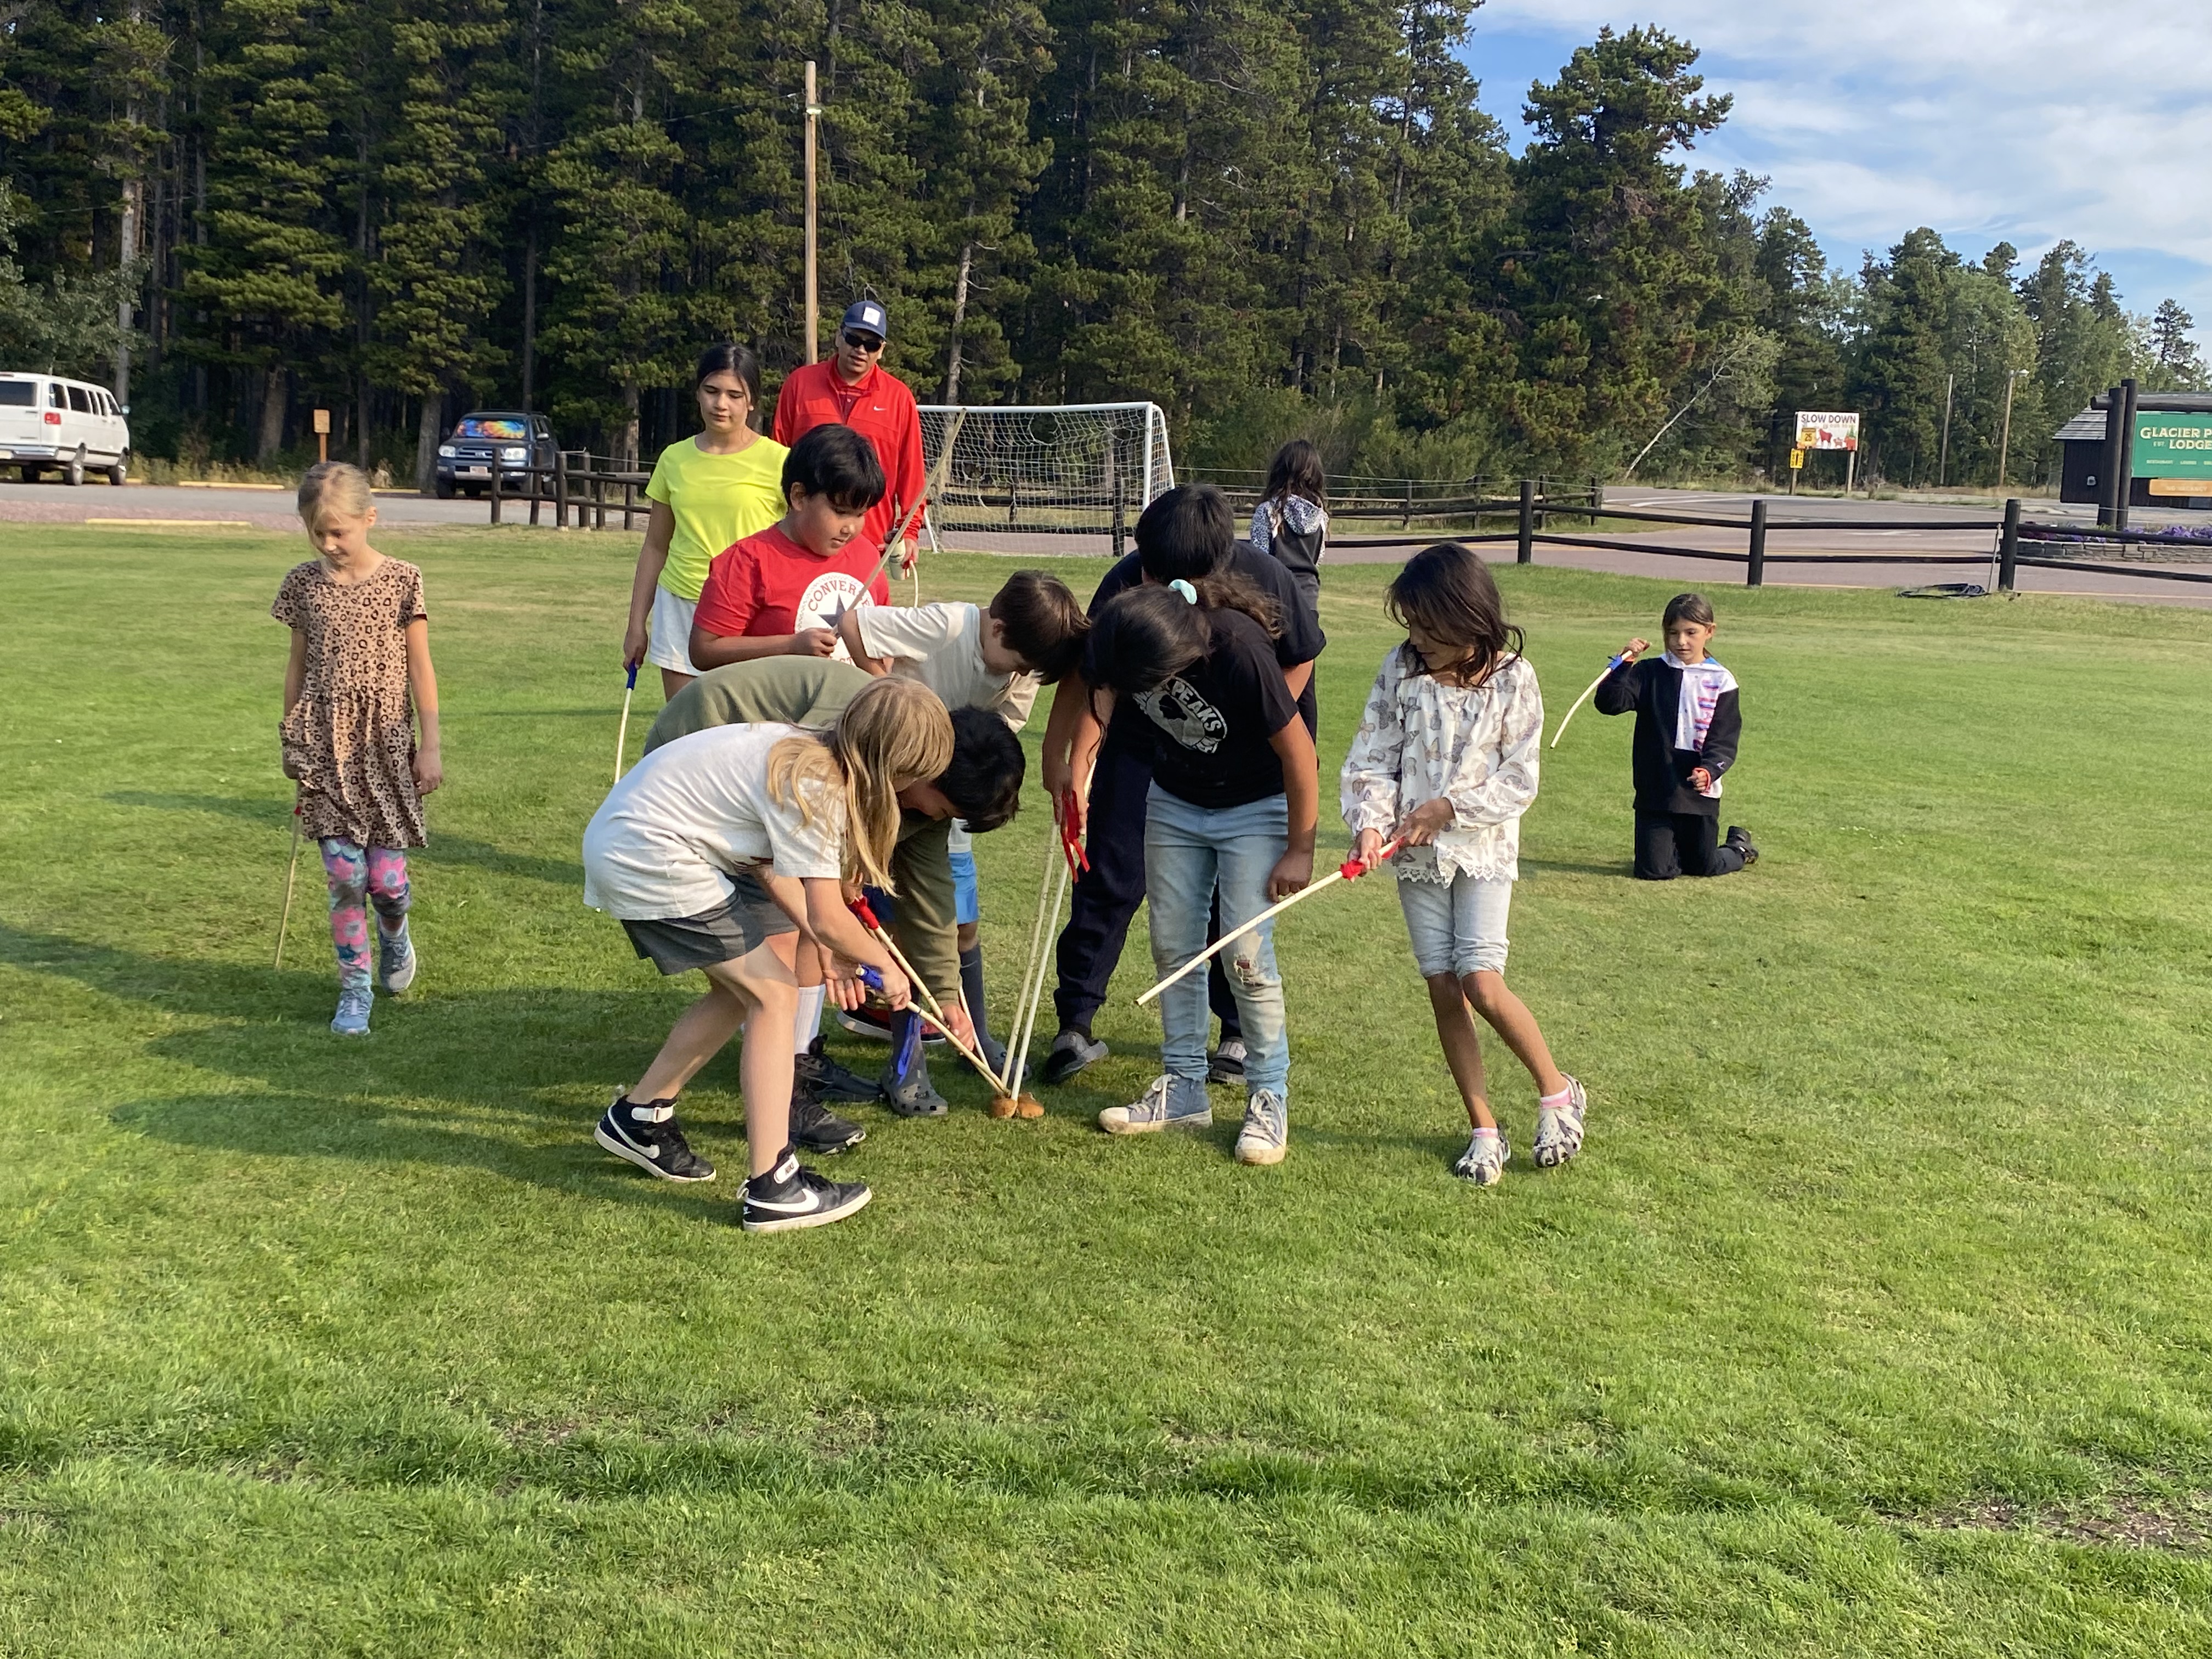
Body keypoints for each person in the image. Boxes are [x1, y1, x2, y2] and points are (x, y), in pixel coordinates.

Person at [582, 678, 951, 1233]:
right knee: (774, 995)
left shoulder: (809, 756)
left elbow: (770, 869)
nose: (911, 788)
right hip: (648, 853)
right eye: (913, 775)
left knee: (750, 984)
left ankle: (641, 1116)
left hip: (637, 842)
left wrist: (832, 949)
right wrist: (888, 967)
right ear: (890, 767)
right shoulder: (816, 784)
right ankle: (774, 1185)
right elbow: (829, 915)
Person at [642, 658, 1025, 1122]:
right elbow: (795, 822)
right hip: (693, 755)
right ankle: (782, 1091)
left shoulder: (911, 781)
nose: (938, 820)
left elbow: (929, 897)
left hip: (754, 798)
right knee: (779, 955)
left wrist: (945, 995)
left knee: (790, 951)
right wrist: (865, 950)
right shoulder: (851, 735)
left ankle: (788, 1067)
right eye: (943, 809)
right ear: (925, 771)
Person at [1035, 484, 1323, 1087]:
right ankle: (1076, 1020)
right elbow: (1098, 680)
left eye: (1157, 574)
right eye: (1143, 567)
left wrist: (1255, 728)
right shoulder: (1126, 582)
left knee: (1232, 902)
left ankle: (1237, 1037)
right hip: (1155, 743)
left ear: (1208, 570)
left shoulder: (1259, 596)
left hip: (1251, 756)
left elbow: (1300, 663)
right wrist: (1072, 763)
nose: (1145, 578)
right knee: (1112, 868)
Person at [1339, 543, 1585, 1186]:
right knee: (1443, 987)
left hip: (1481, 851)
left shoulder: (1514, 679)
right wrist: (1370, 825)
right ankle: (1484, 1128)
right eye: (1412, 626)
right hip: (1413, 855)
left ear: (1467, 617)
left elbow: (1519, 779)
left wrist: (1446, 808)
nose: (1416, 638)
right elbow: (1372, 757)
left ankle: (1558, 1096)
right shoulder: (1401, 669)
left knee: (1481, 979)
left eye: (1427, 625)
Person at [1081, 574, 1318, 1165]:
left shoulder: (1236, 649)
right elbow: (1105, 709)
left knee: (1246, 957)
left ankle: (1270, 1097)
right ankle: (1184, 1087)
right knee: (1174, 946)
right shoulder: (1127, 652)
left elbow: (1298, 752)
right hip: (1176, 803)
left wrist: (1300, 848)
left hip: (1256, 808)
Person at [837, 572, 1090, 1075]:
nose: (1021, 678)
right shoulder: (947, 626)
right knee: (902, 926)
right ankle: (906, 1061)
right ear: (997, 629)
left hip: (949, 796)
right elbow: (854, 625)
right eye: (1020, 666)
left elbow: (1004, 727)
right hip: (892, 791)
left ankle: (973, 1033)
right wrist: (887, 695)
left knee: (961, 924)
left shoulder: (1023, 670)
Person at [273, 462, 442, 1037]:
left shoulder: (403, 580)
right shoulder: (302, 585)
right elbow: (296, 669)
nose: (328, 543)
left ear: (369, 519)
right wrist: (292, 736)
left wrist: (432, 746)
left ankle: (395, 934)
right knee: (345, 876)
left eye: (339, 531)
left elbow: (421, 669)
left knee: (385, 882)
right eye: (317, 532)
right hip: (325, 747)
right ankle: (354, 990)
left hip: (386, 745)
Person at [622, 345, 787, 699]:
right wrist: (636, 625)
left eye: (734, 394)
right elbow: (655, 547)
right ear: (698, 393)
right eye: (711, 391)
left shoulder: (780, 462)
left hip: (750, 613)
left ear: (752, 401)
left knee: (747, 730)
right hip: (682, 604)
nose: (721, 404)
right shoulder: (673, 459)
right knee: (687, 731)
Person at [687, 424, 890, 671]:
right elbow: (703, 650)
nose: (850, 528)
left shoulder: (867, 554)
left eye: (860, 514)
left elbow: (882, 636)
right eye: (840, 512)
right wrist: (790, 646)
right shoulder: (747, 561)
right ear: (799, 496)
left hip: (853, 707)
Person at [1593, 592, 1757, 881]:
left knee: (1702, 866)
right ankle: (1666, 849)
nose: (1681, 641)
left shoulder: (1722, 681)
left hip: (1697, 794)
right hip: (1656, 791)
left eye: (1691, 633)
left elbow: (1724, 741)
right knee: (1653, 871)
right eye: (1673, 633)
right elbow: (1609, 704)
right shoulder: (1649, 672)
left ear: (1710, 632)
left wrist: (1709, 771)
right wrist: (1623, 663)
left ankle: (1739, 847)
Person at [771, 299, 927, 573]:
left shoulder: (899, 398)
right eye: (854, 339)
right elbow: (777, 458)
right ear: (838, 337)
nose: (860, 350)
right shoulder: (800, 384)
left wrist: (910, 531)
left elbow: (911, 474)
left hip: (868, 546)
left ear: (881, 351)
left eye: (871, 344)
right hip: (802, 539)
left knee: (862, 618)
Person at [1248, 438, 1328, 613]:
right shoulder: (1320, 517)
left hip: (1275, 599)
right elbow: (1317, 559)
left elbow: (1259, 559)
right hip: (1309, 599)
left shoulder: (1268, 511)